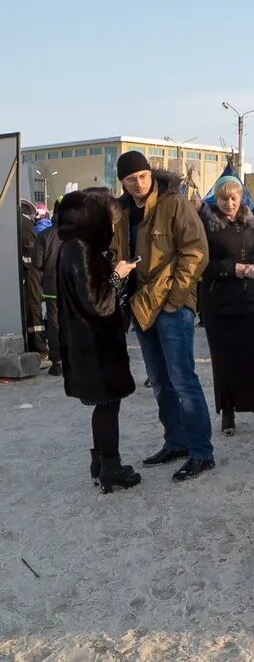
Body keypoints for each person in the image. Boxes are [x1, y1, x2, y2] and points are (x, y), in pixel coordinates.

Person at [115, 151, 216, 482]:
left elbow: (196, 250)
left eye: (143, 176)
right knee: (159, 381)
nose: (139, 184)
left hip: (172, 307)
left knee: (183, 379)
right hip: (141, 305)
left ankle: (202, 452)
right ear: (123, 182)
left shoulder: (174, 203)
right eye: (131, 179)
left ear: (151, 173)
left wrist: (175, 299)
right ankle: (176, 441)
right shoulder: (121, 212)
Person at [56, 188, 142, 493]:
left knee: (104, 405)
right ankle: (111, 467)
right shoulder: (81, 250)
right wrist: (119, 275)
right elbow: (99, 303)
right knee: (108, 405)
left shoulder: (71, 246)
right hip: (96, 345)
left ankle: (100, 464)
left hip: (87, 343)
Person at [199, 176, 254, 437]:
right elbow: (201, 262)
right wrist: (230, 268)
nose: (229, 203)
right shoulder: (206, 224)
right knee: (225, 360)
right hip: (219, 304)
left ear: (241, 197)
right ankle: (228, 411)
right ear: (217, 199)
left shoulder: (252, 221)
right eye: (224, 198)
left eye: (234, 197)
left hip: (252, 301)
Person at [36, 200, 64, 376]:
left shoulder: (44, 235)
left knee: (54, 323)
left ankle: (57, 362)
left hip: (52, 286)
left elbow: (38, 263)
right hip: (73, 288)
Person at [20, 201, 47, 356]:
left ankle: (33, 344)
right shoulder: (25, 223)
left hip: (26, 272)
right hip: (31, 273)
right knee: (34, 307)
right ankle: (39, 347)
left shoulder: (17, 220)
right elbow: (32, 252)